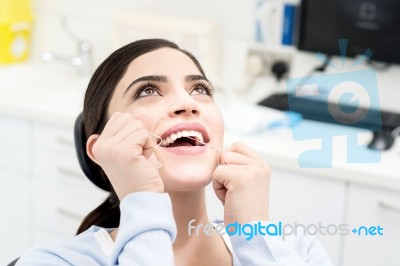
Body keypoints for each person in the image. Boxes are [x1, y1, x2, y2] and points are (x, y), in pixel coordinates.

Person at [16, 39, 332, 265]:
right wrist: (143, 200)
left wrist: (256, 237)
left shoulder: (299, 252)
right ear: (101, 149)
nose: (189, 103)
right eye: (148, 91)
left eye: (200, 89)